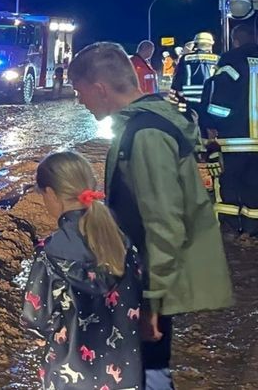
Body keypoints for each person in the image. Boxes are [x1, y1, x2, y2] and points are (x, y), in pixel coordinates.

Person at [67, 42, 234, 389]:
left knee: (148, 370)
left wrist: (150, 305)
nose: (79, 100)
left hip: (148, 285)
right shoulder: (146, 125)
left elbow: (164, 224)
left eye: (80, 92)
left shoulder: (146, 135)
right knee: (145, 368)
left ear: (99, 89)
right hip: (145, 279)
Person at [21, 151, 143, 390]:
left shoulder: (50, 253)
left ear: (51, 194)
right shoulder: (123, 242)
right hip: (126, 371)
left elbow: (35, 318)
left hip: (73, 375)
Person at [198, 24, 258, 234]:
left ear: (235, 41)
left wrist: (210, 126)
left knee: (229, 186)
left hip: (234, 141)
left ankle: (230, 229)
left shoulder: (231, 62)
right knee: (254, 188)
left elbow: (217, 102)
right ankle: (252, 230)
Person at [169, 32, 218, 113]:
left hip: (189, 101)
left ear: (196, 44)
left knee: (191, 123)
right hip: (210, 99)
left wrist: (176, 94)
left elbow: (178, 79)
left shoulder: (185, 58)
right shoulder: (217, 59)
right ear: (210, 45)